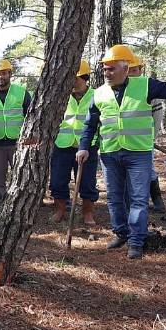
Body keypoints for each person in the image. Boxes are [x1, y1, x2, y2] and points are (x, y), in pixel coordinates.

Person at [76, 44, 166, 259]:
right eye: (105, 69)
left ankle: (136, 241)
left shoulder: (145, 85)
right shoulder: (99, 93)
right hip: (110, 153)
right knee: (114, 197)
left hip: (138, 153)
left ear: (125, 68)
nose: (107, 73)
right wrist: (84, 147)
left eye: (111, 68)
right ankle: (121, 233)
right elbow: (90, 124)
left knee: (139, 198)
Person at [49, 60, 98, 225]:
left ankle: (87, 213)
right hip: (62, 144)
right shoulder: (59, 95)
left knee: (87, 182)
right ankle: (60, 210)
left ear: (85, 78)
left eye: (76, 78)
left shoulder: (97, 95)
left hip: (87, 147)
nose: (72, 82)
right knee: (57, 180)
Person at [0, 59, 32, 209]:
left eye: (4, 73)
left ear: (10, 74)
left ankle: (21, 204)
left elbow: (31, 116)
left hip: (17, 142)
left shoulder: (22, 92)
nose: (1, 77)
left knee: (20, 175)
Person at [128, 54, 166, 212]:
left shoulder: (149, 89)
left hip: (144, 141)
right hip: (123, 141)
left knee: (148, 170)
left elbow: (157, 118)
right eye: (128, 70)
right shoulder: (120, 89)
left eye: (134, 70)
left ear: (140, 70)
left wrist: (151, 137)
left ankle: (158, 201)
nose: (131, 73)